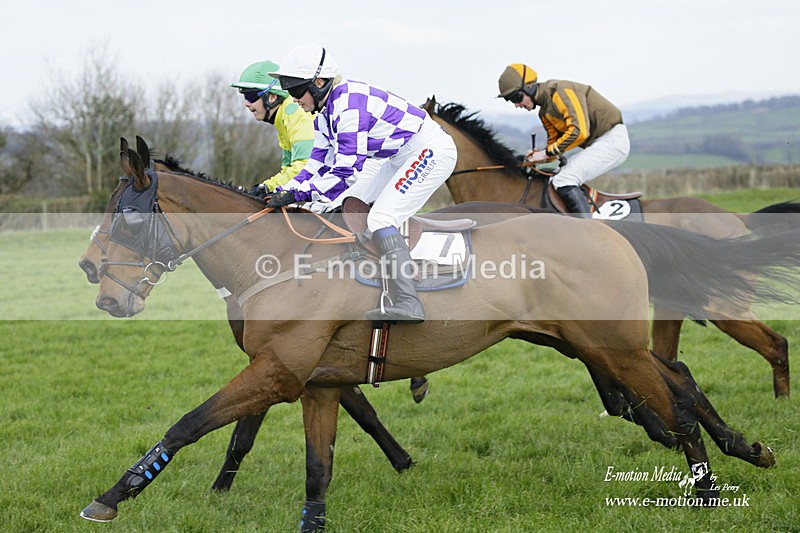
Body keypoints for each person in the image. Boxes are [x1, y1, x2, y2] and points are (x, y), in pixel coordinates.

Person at [266, 44, 457, 322]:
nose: (293, 100)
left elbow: (346, 170)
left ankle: (408, 301)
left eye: (295, 90)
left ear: (319, 84)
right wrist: (279, 190)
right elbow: (315, 166)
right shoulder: (323, 116)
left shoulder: (348, 106)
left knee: (381, 218)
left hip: (429, 150)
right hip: (395, 157)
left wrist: (301, 194)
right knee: (340, 204)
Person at [497, 63, 630, 217]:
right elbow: (555, 147)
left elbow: (579, 132)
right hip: (599, 143)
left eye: (516, 98)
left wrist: (545, 153)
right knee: (557, 179)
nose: (517, 105)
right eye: (510, 100)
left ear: (530, 88)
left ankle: (588, 231)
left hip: (612, 140)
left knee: (564, 179)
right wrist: (537, 156)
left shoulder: (560, 91)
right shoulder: (544, 113)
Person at [230, 60, 315, 194]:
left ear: (273, 97)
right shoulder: (282, 118)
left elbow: (305, 167)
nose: (246, 103)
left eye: (251, 96)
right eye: (244, 96)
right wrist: (266, 187)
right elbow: (288, 169)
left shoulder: (295, 113)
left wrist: (268, 188)